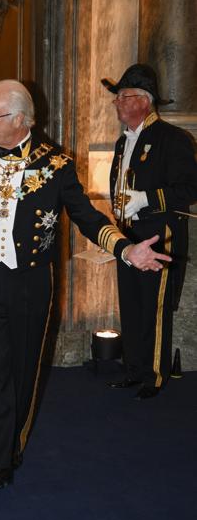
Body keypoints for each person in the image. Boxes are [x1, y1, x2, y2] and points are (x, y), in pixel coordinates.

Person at [0, 79, 170, 489]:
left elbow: (87, 218)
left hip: (29, 284)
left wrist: (126, 250)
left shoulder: (56, 166)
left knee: (23, 369)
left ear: (21, 119)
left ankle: (15, 442)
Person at [102, 63, 197, 400]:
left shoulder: (173, 139)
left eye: (122, 97)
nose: (116, 103)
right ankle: (134, 368)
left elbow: (189, 189)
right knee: (130, 303)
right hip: (128, 237)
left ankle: (153, 375)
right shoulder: (120, 142)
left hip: (161, 236)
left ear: (144, 100)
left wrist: (144, 199)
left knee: (153, 308)